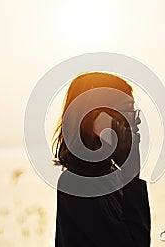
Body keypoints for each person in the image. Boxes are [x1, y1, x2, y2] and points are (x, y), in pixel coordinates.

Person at [53, 72, 151, 247]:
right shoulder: (76, 185)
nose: (136, 122)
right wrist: (131, 176)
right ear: (98, 119)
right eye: (127, 111)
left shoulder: (110, 176)